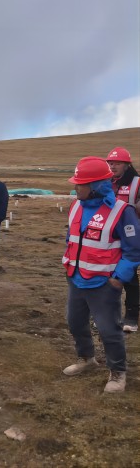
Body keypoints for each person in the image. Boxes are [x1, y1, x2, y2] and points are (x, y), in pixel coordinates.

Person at [62, 156, 140, 393]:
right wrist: (68, 262)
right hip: (76, 278)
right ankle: (86, 358)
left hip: (103, 284)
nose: (76, 188)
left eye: (80, 184)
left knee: (109, 330)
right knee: (75, 322)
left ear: (95, 186)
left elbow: (134, 250)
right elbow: (71, 238)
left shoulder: (121, 212)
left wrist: (118, 278)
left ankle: (118, 372)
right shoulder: (76, 206)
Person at [106, 147, 140, 333]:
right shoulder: (107, 182)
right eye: (110, 163)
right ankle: (108, 314)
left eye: (117, 163)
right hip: (109, 235)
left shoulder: (137, 183)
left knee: (130, 277)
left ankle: (132, 317)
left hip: (131, 236)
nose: (113, 166)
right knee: (109, 275)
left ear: (127, 165)